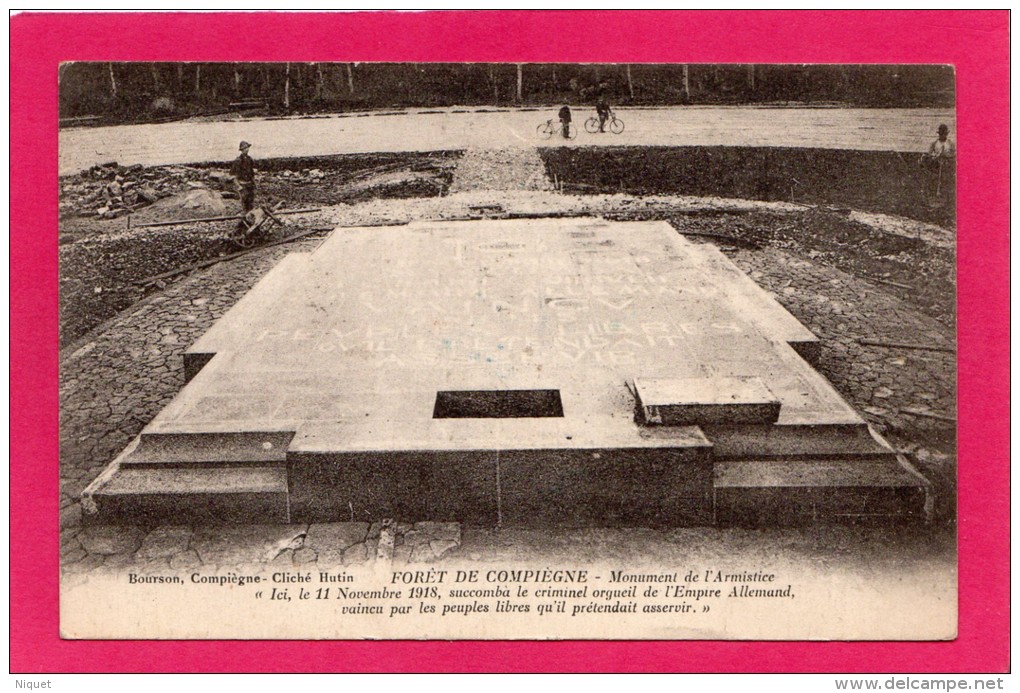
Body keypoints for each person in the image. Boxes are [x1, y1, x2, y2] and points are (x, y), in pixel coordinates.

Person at [920, 124, 955, 203]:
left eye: (944, 134)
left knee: (946, 181)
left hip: (947, 165)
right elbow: (929, 153)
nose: (942, 135)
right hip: (936, 164)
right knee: (933, 179)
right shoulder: (934, 143)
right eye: (941, 134)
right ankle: (932, 195)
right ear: (939, 134)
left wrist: (946, 155)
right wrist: (935, 156)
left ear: (946, 134)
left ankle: (946, 197)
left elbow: (954, 154)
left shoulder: (950, 143)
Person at [230, 140, 256, 213]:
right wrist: (238, 185)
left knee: (251, 203)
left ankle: (251, 218)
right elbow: (233, 175)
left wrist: (254, 183)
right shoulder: (238, 160)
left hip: (250, 184)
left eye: (247, 148)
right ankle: (245, 219)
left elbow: (252, 173)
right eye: (244, 148)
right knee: (244, 203)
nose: (246, 149)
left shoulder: (250, 159)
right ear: (241, 150)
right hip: (242, 185)